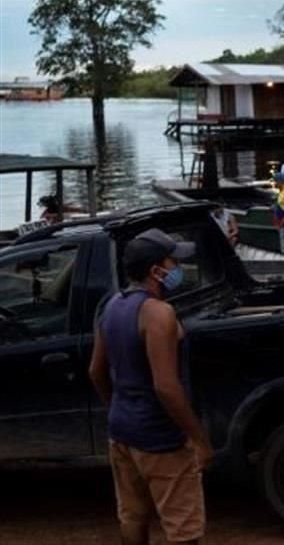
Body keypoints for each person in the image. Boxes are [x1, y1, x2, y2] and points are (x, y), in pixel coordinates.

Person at [88, 228, 213, 545]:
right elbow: (166, 387)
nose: (177, 268)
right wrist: (199, 439)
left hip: (122, 433)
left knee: (132, 515)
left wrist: (117, 407)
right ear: (156, 270)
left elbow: (95, 371)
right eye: (173, 262)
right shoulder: (159, 314)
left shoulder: (111, 306)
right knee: (183, 527)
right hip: (161, 439)